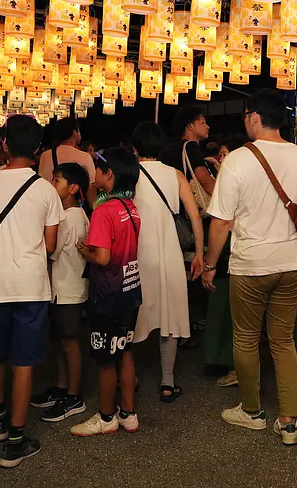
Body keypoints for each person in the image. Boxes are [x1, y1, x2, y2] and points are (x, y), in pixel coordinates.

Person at [201, 90, 297, 446]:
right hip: (292, 262)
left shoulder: (238, 159)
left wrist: (209, 264)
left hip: (251, 264)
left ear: (254, 117)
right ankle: (289, 422)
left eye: (245, 116)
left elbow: (221, 222)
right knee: (283, 340)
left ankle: (252, 412)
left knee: (246, 338)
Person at [0, 115, 64, 468]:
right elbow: (50, 245)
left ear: (4, 144)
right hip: (30, 283)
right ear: (37, 148)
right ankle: (16, 440)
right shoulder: (46, 190)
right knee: (23, 360)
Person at [130, 122, 204, 403]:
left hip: (137, 253)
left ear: (135, 148)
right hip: (170, 253)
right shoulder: (175, 175)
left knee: (133, 313)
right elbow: (194, 216)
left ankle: (130, 376)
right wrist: (200, 253)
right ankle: (167, 382)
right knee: (170, 315)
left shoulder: (129, 174)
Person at [71, 148, 142, 438]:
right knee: (124, 350)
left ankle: (106, 417)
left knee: (105, 359)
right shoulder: (129, 206)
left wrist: (83, 250)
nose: (94, 174)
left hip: (107, 294)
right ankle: (128, 414)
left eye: (97, 169)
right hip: (130, 289)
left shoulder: (103, 211)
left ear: (108, 174)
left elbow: (102, 257)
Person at [30, 163, 90, 423]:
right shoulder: (72, 213)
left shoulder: (70, 217)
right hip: (62, 287)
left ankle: (74, 395)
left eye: (57, 180)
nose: (51, 184)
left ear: (73, 188)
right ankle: (63, 387)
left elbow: (50, 250)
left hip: (68, 288)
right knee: (61, 340)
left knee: (69, 342)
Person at [161, 106, 215, 208]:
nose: (207, 127)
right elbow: (205, 180)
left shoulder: (173, 148)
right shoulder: (191, 147)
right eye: (203, 123)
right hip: (191, 208)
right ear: (190, 126)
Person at [37, 117, 97, 204]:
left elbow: (41, 183)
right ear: (74, 133)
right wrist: (94, 207)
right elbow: (91, 188)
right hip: (73, 206)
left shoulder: (45, 155)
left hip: (49, 204)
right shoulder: (85, 156)